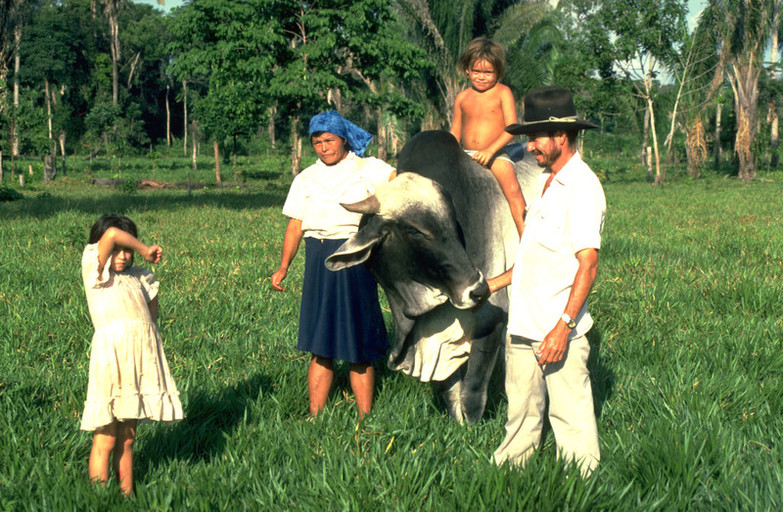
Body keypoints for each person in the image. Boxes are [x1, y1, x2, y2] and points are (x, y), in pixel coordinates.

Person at [489, 86, 606, 477]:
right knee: (519, 416)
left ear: (561, 137)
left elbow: (587, 265)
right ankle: (508, 479)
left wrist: (564, 327)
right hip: (523, 324)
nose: (530, 146)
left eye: (536, 137)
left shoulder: (583, 187)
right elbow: (534, 255)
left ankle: (580, 487)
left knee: (571, 418)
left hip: (558, 331)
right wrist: (493, 284)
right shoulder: (547, 181)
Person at [271, 110, 395, 418]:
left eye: (329, 140)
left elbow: (398, 185)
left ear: (343, 139)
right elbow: (295, 225)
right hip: (318, 259)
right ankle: (315, 415)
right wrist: (284, 266)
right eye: (317, 142)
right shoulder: (306, 179)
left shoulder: (368, 169)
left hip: (355, 255)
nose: (324, 147)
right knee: (320, 342)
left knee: (358, 342)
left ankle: (366, 417)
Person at [80, 214, 184, 496]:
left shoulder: (141, 277)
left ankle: (128, 495)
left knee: (127, 438)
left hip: (139, 363)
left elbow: (151, 321)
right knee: (107, 437)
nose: (123, 256)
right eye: (117, 249)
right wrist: (144, 248)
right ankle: (101, 498)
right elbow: (112, 232)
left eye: (128, 251)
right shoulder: (95, 272)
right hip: (110, 361)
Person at [450, 37, 526, 237]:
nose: (481, 77)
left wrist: (490, 151)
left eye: (488, 72)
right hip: (465, 153)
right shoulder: (463, 97)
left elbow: (512, 127)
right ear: (467, 70)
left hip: (495, 154)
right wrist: (448, 151)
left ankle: (525, 237)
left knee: (513, 189)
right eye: (476, 71)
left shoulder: (502, 92)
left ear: (498, 72)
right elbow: (455, 131)